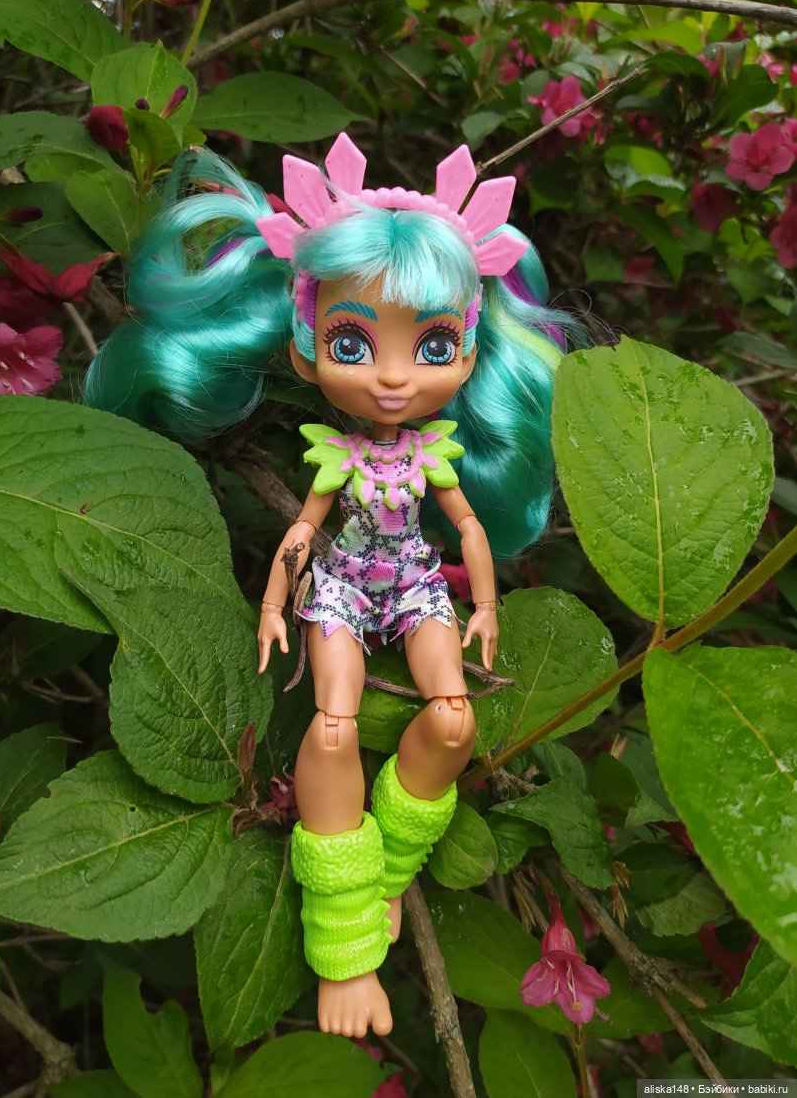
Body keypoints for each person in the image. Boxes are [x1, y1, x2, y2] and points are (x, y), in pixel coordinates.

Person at [85, 132, 578, 1039]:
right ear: (309, 350)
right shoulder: (337, 456)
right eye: (354, 340)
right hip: (346, 587)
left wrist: (486, 604)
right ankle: (343, 939)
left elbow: (469, 529)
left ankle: (386, 867)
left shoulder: (434, 452)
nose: (392, 374)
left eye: (433, 344)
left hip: (419, 583)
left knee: (454, 721)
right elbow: (303, 532)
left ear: (471, 351)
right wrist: (276, 605)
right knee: (334, 725)